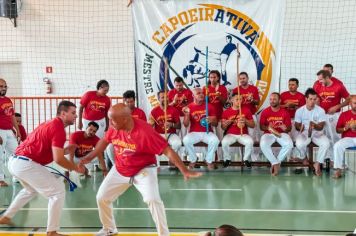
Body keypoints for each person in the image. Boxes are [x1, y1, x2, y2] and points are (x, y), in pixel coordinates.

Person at [80, 103, 202, 236]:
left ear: (125, 119)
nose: (110, 123)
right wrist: (90, 156)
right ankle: (109, 228)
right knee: (102, 197)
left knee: (153, 199)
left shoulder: (145, 131)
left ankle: (164, 234)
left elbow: (168, 151)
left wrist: (184, 170)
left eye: (113, 120)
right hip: (121, 167)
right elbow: (104, 141)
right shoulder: (115, 127)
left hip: (143, 169)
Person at [0, 101, 85, 236]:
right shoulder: (58, 128)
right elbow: (58, 160)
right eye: (73, 113)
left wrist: (64, 151)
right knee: (57, 191)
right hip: (25, 164)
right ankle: (52, 231)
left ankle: (6, 217)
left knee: (30, 190)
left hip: (16, 162)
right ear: (63, 114)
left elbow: (48, 151)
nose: (76, 116)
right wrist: (75, 168)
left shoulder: (50, 123)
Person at [294, 88, 330, 176]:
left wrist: (314, 125)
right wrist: (300, 128)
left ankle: (317, 163)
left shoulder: (320, 110)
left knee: (326, 143)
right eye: (310, 99)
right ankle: (304, 157)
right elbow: (296, 125)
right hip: (305, 133)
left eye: (315, 99)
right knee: (299, 143)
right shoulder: (299, 111)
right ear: (306, 99)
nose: (313, 101)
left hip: (317, 133)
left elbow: (321, 127)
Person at [182, 87, 220, 170]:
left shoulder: (209, 106)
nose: (201, 95)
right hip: (194, 132)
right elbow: (185, 124)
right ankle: (193, 159)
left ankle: (208, 160)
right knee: (186, 140)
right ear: (193, 95)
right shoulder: (188, 107)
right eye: (198, 93)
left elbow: (216, 124)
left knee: (215, 140)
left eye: (202, 93)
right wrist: (187, 115)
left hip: (207, 132)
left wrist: (211, 120)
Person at [259, 92, 293, 176]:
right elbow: (261, 127)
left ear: (279, 100)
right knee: (263, 144)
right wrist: (268, 128)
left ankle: (277, 162)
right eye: (270, 99)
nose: (272, 101)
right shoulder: (265, 111)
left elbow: (289, 128)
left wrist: (285, 128)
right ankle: (275, 163)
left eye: (274, 99)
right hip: (269, 133)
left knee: (289, 144)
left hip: (281, 133)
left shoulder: (285, 112)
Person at [221, 93, 255, 168]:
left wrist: (245, 120)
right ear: (231, 100)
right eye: (237, 99)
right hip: (230, 134)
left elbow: (253, 125)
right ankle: (227, 159)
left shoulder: (246, 110)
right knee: (224, 142)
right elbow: (223, 127)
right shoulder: (226, 112)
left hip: (243, 134)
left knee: (250, 142)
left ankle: (246, 159)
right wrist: (226, 123)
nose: (239, 101)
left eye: (241, 99)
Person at [149, 91, 182, 163]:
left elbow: (179, 126)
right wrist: (151, 124)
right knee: (153, 146)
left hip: (171, 134)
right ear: (158, 99)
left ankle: (172, 159)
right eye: (162, 97)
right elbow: (150, 126)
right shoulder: (154, 111)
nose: (165, 99)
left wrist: (171, 124)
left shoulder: (174, 110)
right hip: (159, 135)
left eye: (166, 97)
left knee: (177, 143)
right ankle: (156, 164)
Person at [0, 78, 20, 187]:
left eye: (5, 86)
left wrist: (17, 130)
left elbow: (12, 116)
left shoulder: (8, 100)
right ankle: (0, 179)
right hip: (0, 131)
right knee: (0, 156)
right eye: (1, 86)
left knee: (16, 154)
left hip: (9, 131)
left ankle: (16, 176)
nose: (3, 88)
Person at [333, 95, 356, 179]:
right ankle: (338, 170)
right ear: (350, 104)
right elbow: (337, 130)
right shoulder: (344, 114)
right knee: (337, 146)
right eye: (355, 103)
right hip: (348, 138)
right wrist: (345, 128)